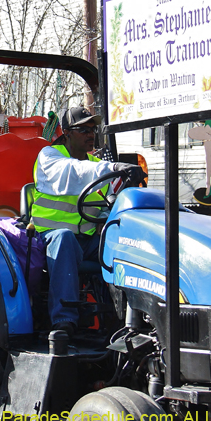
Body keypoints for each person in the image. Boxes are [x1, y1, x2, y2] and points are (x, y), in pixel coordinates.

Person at [31, 106, 145, 336]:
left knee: (123, 241)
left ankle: (127, 319)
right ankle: (63, 321)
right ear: (67, 133)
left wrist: (127, 183)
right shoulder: (50, 157)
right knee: (64, 239)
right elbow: (75, 173)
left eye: (93, 130)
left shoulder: (95, 164)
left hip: (89, 240)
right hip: (50, 238)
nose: (90, 135)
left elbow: (109, 197)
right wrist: (113, 168)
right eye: (83, 129)